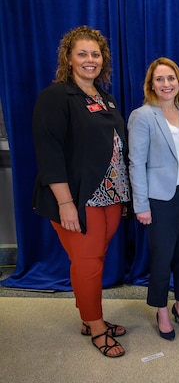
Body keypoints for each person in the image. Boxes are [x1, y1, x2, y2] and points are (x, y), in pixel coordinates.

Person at [32, 26, 130, 357]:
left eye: (96, 54)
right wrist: (66, 203)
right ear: (69, 58)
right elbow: (50, 153)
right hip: (78, 198)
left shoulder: (107, 97)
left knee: (93, 260)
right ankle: (96, 325)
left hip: (112, 197)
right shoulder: (57, 96)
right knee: (88, 262)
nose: (90, 60)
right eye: (82, 54)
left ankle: (90, 317)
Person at [128, 57, 179, 341]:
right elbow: (135, 163)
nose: (166, 84)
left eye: (170, 78)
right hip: (160, 199)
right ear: (151, 85)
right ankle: (161, 310)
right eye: (159, 79)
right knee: (162, 257)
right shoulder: (143, 115)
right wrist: (142, 206)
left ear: (178, 82)